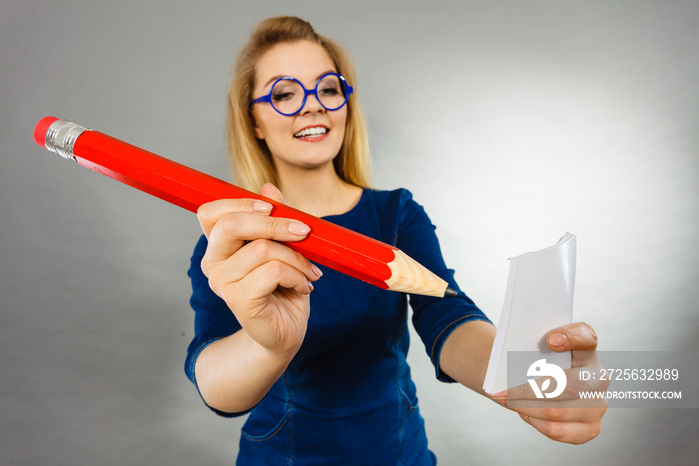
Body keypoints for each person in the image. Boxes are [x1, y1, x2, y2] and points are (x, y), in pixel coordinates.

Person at [185, 16, 607, 465]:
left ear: (346, 103)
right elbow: (215, 385)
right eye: (284, 93)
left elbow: (448, 315)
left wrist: (520, 376)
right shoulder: (232, 240)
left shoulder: (396, 214)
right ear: (254, 121)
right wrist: (268, 345)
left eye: (328, 88)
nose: (312, 106)